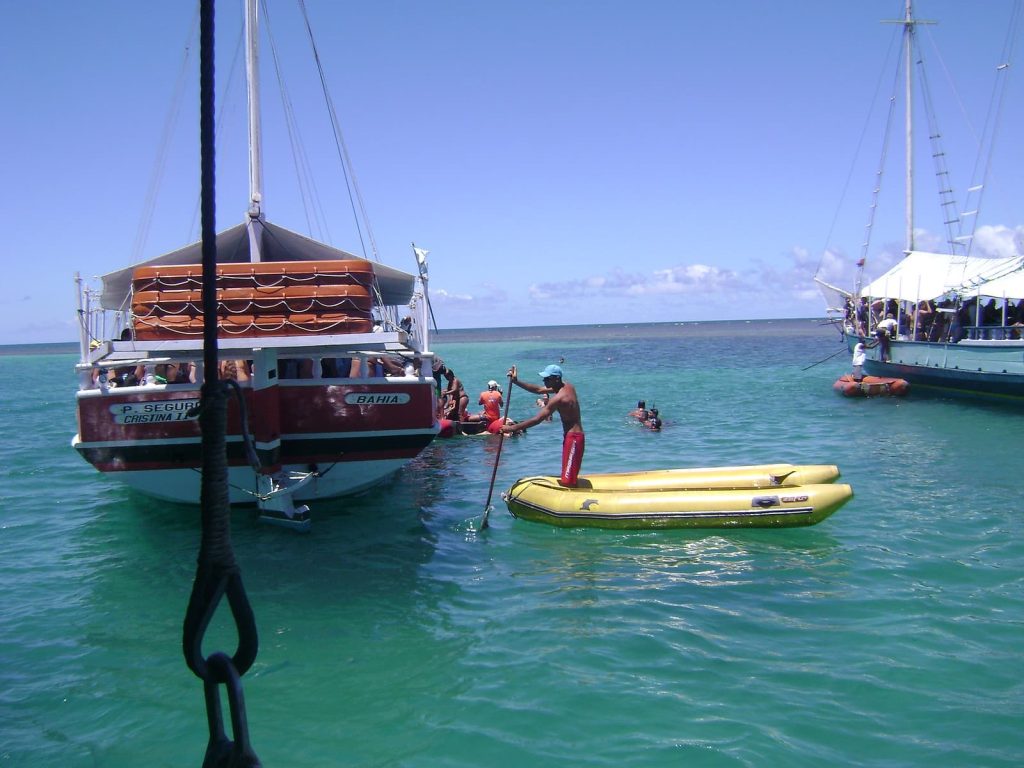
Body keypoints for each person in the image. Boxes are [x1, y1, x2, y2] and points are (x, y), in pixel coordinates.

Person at [501, 364, 584, 487]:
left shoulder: (559, 398)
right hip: (574, 437)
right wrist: (516, 382)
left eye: (547, 378)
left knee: (568, 481)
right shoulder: (567, 386)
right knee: (569, 476)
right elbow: (538, 390)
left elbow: (537, 419)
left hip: (573, 439)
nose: (544, 381)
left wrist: (512, 428)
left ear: (556, 378)